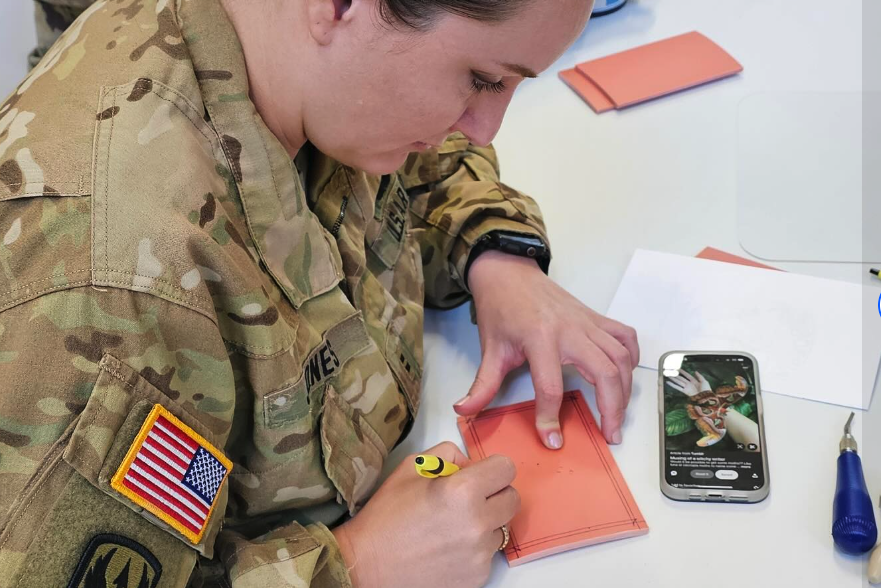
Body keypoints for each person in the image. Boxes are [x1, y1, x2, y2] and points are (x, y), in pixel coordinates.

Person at [0, 0, 639, 586]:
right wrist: (356, 567)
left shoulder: (297, 60)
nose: (484, 129)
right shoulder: (110, 278)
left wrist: (496, 255)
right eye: (482, 79)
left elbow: (428, 163)